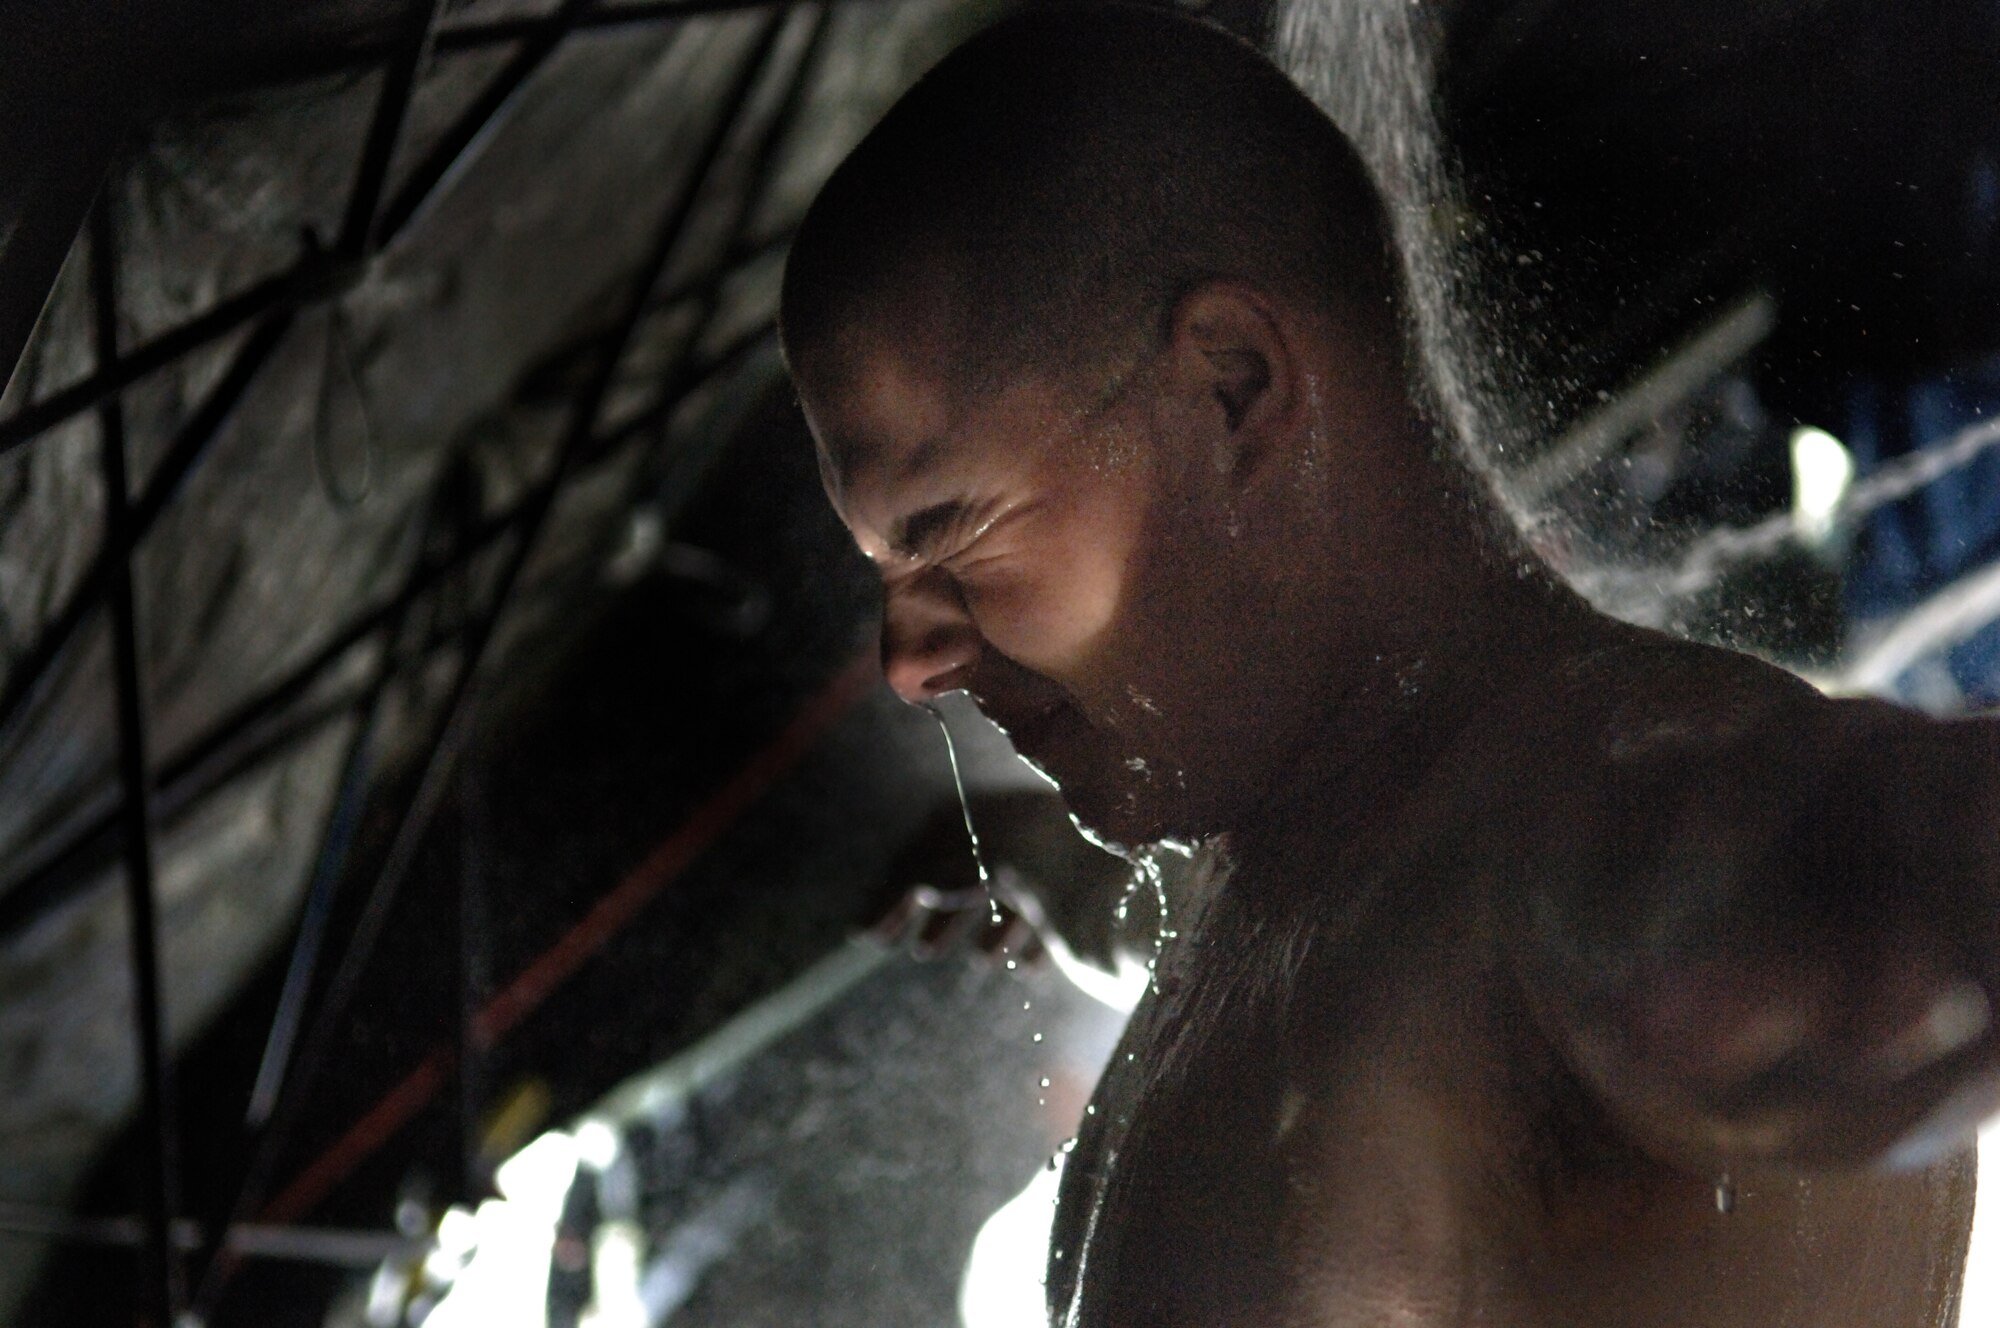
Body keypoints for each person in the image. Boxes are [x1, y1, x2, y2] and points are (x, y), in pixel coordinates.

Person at [777, 6, 2000, 1324]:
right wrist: (1049, 869)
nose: (910, 662)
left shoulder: (1629, 821)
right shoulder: (1313, 871)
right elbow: (1312, 973)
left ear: (1233, 387)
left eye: (948, 530)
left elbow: (1897, 879)